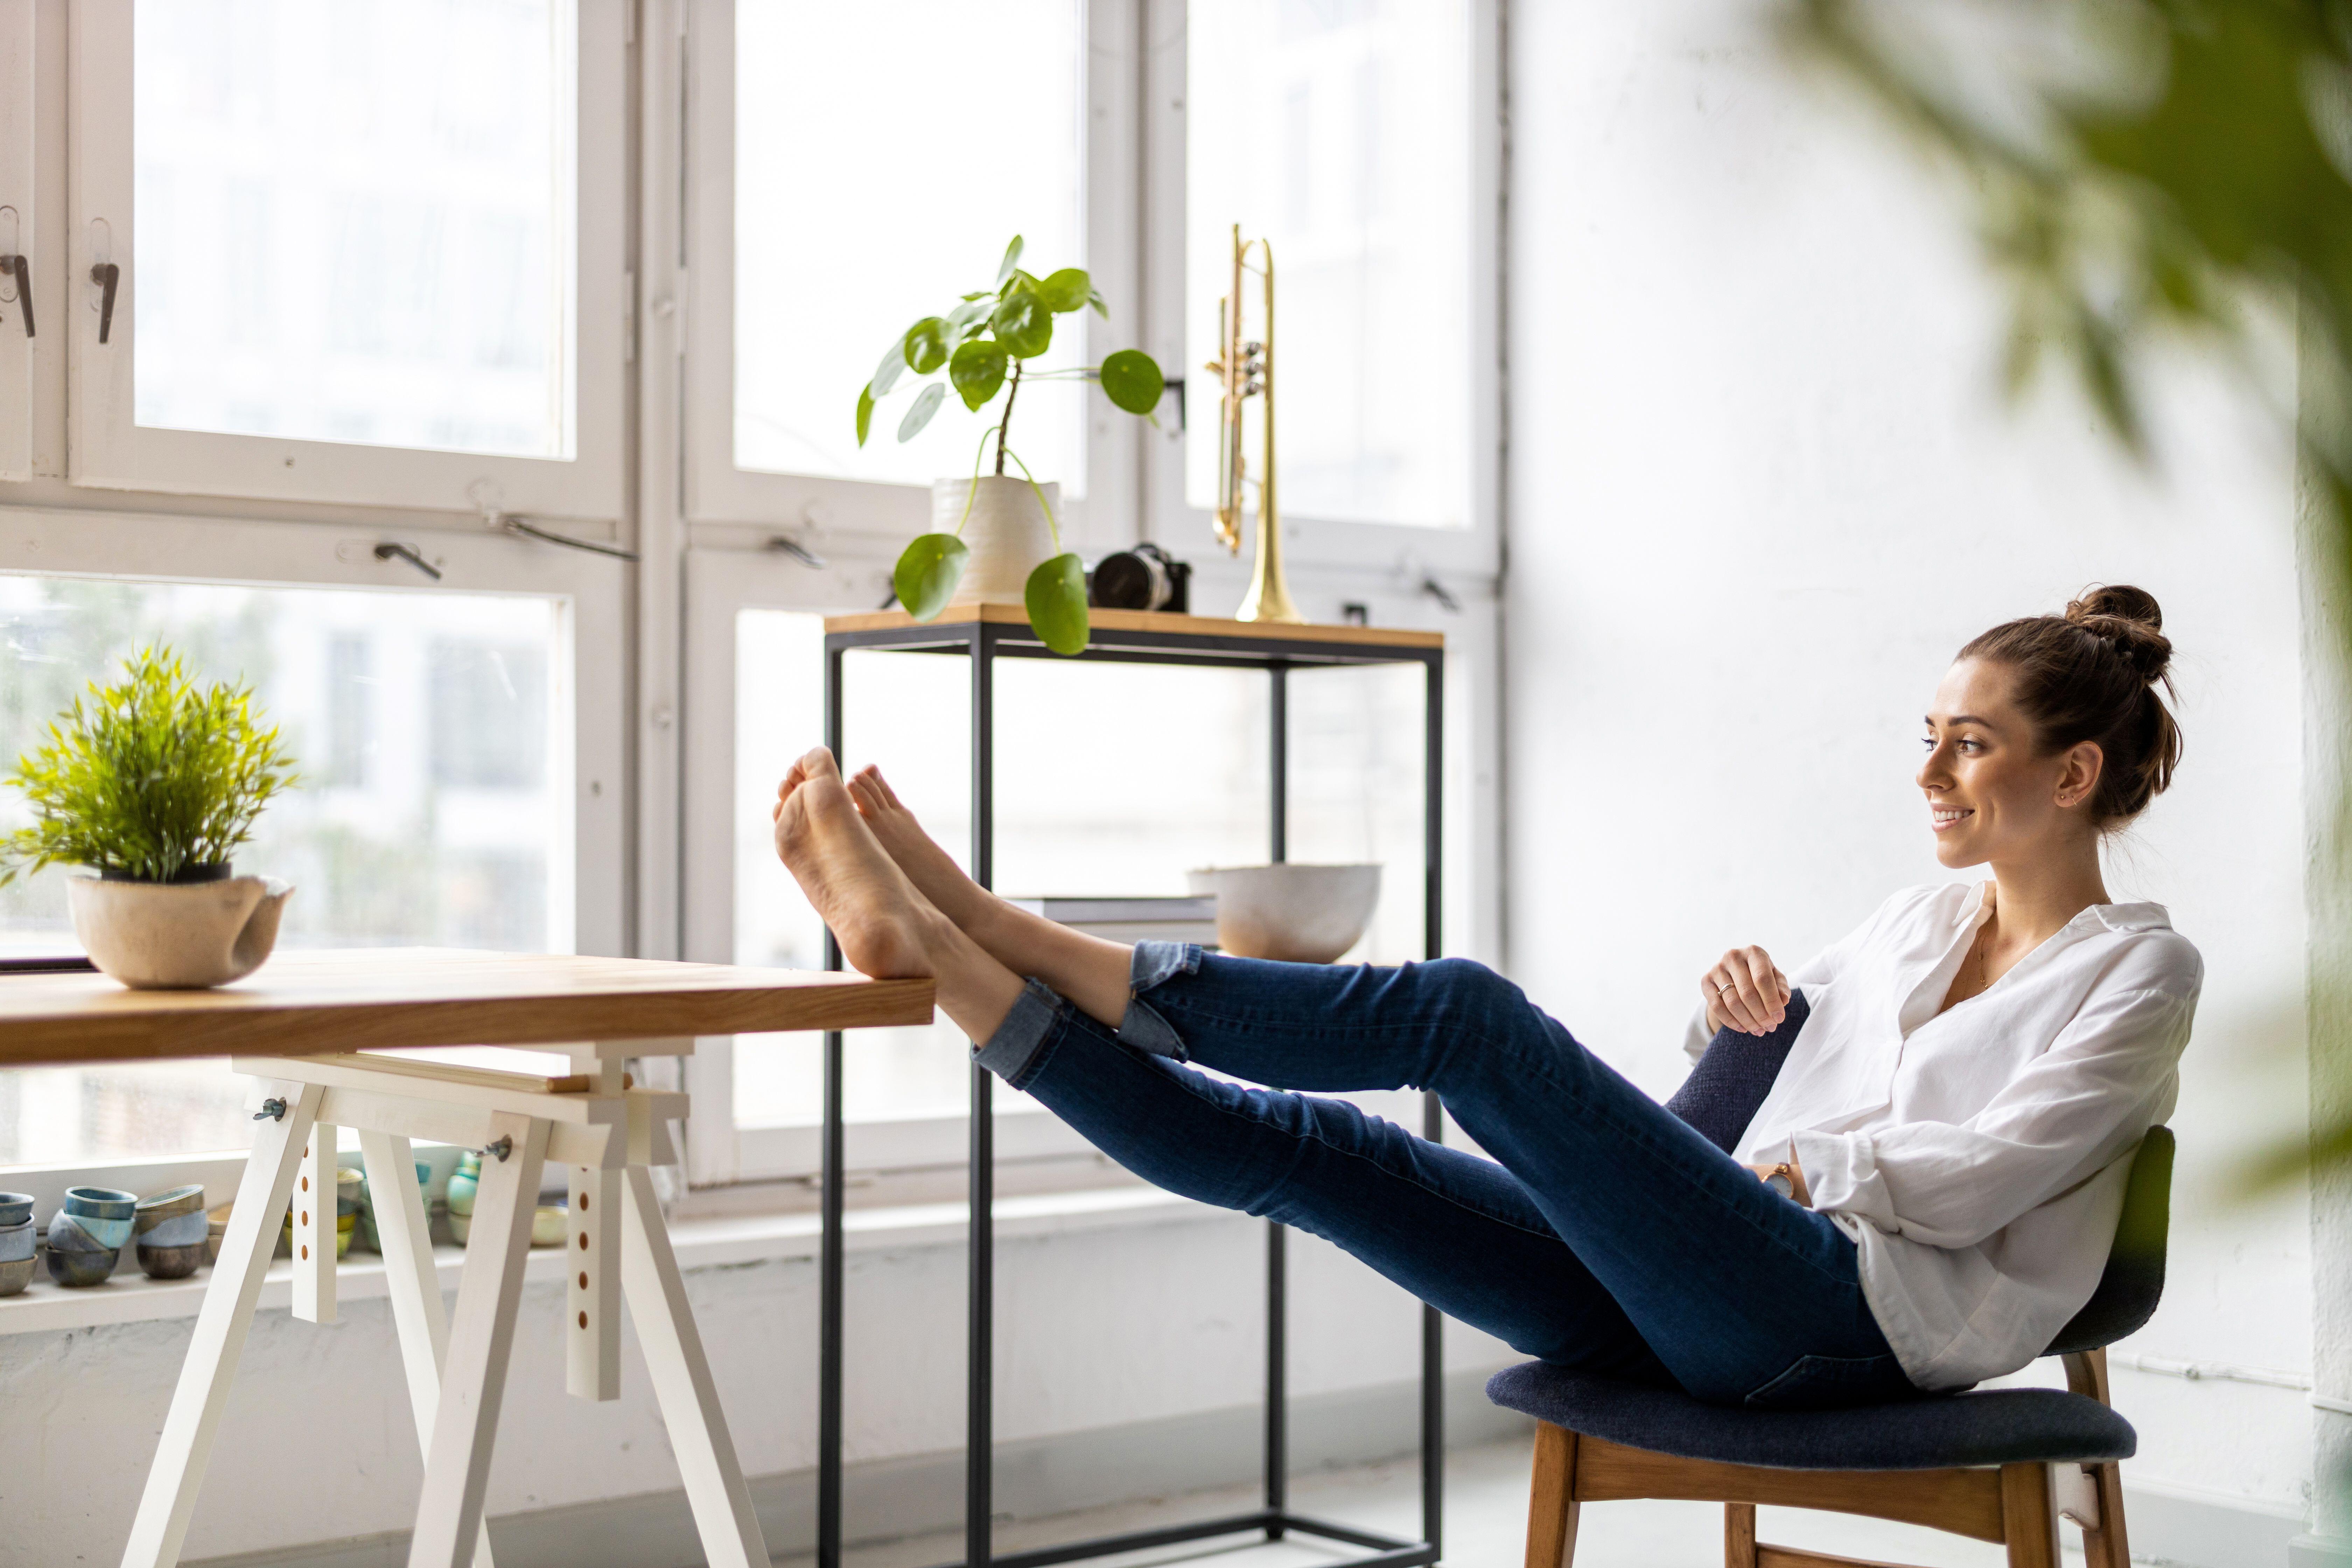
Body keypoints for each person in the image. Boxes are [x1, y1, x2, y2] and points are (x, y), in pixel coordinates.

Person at [768, 585, 2201, 1409]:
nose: (1931, 773)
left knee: (1462, 1013)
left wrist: (1798, 1164)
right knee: (1314, 1150)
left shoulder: (2140, 969)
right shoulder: (1919, 916)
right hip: (1719, 1270)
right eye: (1930, 739)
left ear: (2071, 776)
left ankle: (1000, 924)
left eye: (1968, 746)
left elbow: (1990, 1173)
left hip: (1847, 1322)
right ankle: (964, 972)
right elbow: (1758, 1059)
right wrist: (1731, 1003)